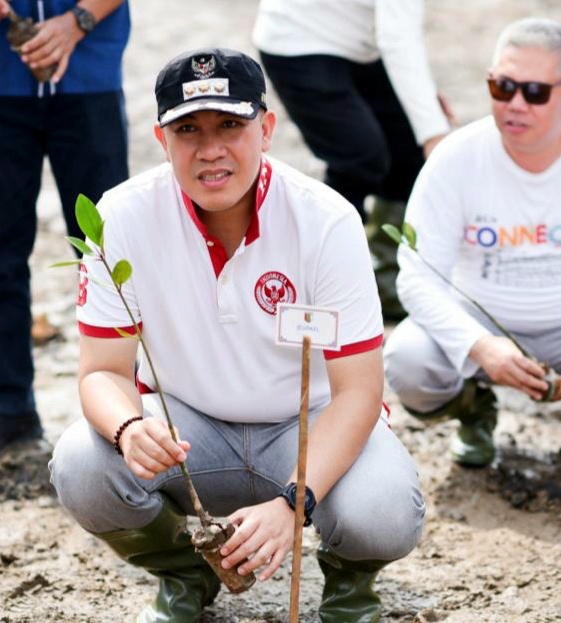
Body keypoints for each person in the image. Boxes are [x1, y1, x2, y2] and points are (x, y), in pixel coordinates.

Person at [48, 49, 425, 623]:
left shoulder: (327, 221)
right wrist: (129, 429)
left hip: (308, 429)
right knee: (81, 463)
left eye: (231, 124)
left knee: (384, 511)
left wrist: (292, 504)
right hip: (188, 430)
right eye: (188, 129)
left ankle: (349, 588)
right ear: (161, 138)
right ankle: (184, 570)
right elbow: (101, 370)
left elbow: (358, 392)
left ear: (267, 128)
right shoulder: (121, 216)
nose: (211, 149)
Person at [383, 18, 561, 470]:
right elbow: (416, 279)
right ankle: (473, 412)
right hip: (483, 318)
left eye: (534, 92)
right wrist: (480, 345)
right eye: (502, 87)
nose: (515, 104)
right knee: (407, 360)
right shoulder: (454, 159)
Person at [0, 0, 130, 465]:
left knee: (107, 251)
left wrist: (78, 20)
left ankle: (129, 408)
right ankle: (5, 406)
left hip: (88, 67)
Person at [252, 0, 453, 319]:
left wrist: (424, 107)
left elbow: (398, 31)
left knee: (407, 148)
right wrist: (433, 134)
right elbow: (398, 35)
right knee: (359, 157)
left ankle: (389, 278)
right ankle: (325, 279)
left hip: (360, 41)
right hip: (297, 38)